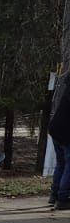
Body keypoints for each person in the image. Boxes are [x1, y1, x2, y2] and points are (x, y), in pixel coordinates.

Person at [47, 70, 70, 211]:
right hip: (67, 132)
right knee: (68, 165)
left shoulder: (67, 85)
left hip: (57, 128)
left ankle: (54, 194)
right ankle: (64, 197)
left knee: (61, 163)